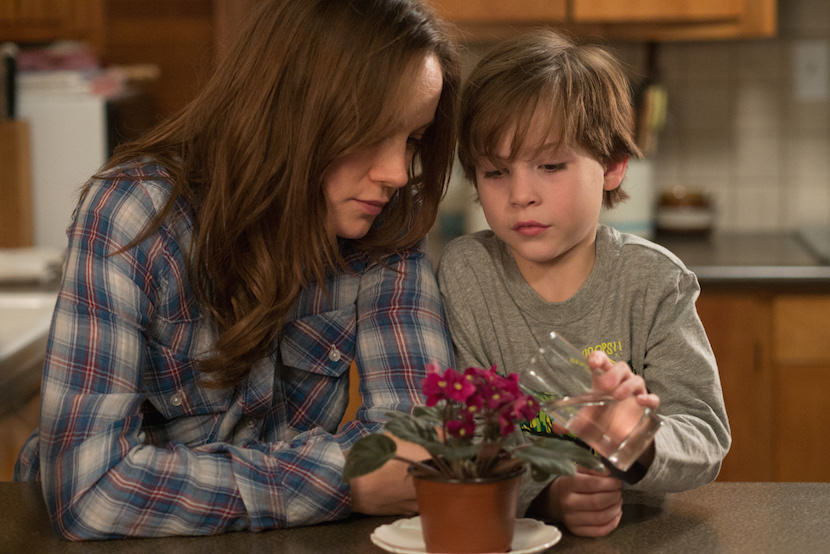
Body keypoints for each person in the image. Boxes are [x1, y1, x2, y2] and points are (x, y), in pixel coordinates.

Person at [14, 0, 460, 540]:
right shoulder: (135, 215)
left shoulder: (386, 229)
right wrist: (344, 477)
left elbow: (414, 447)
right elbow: (91, 487)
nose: (395, 173)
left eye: (412, 139)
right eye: (372, 131)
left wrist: (172, 473)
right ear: (292, 111)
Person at [437, 30, 731, 537]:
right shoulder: (467, 276)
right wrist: (550, 495)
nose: (520, 195)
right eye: (495, 171)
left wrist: (635, 440)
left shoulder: (654, 281)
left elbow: (704, 436)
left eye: (550, 165)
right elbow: (459, 435)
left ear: (614, 166)